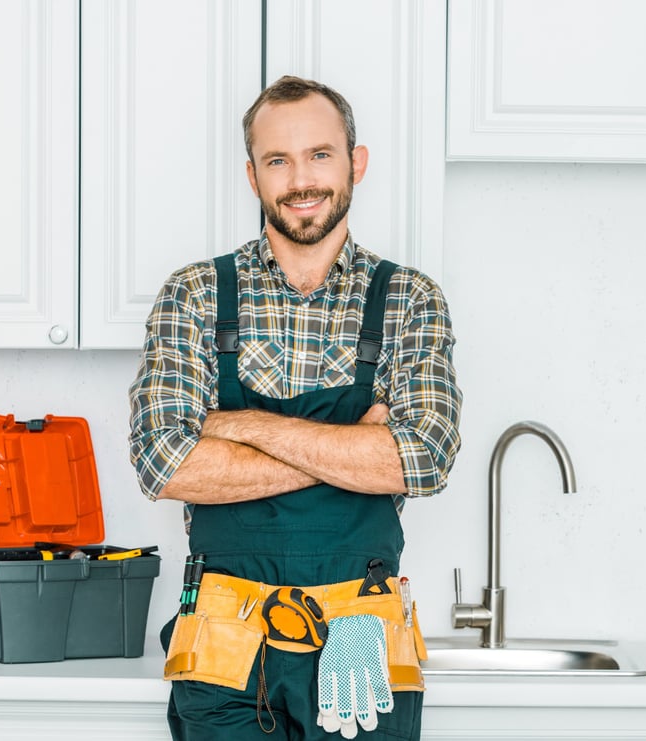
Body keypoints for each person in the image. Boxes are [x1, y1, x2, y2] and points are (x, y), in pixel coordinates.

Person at [129, 75, 461, 741]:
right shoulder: (194, 294)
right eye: (277, 160)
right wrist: (353, 450)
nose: (300, 179)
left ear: (355, 163)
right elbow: (165, 464)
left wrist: (242, 427)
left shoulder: (409, 299)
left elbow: (421, 458)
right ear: (252, 176)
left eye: (320, 154)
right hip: (223, 644)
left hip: (359, 632)